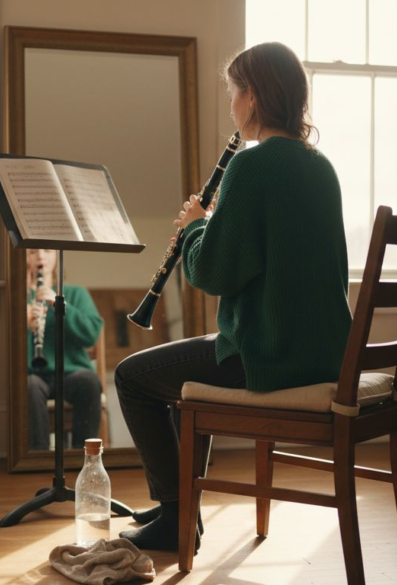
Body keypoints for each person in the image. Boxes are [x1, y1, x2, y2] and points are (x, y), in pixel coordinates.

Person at [115, 42, 353, 551]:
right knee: (184, 379)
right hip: (323, 353)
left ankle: (176, 516)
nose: (230, 105)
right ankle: (181, 510)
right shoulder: (322, 167)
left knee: (131, 377)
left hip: (269, 354)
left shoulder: (252, 167)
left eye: (232, 93)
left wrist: (198, 227)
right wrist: (222, 221)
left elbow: (213, 274)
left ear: (253, 97)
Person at [26, 248, 104, 451]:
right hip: (34, 374)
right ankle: (38, 458)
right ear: (25, 259)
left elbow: (90, 334)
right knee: (28, 386)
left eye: (47, 251)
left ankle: (84, 457)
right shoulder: (20, 298)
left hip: (71, 374)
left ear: (56, 258)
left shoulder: (76, 293)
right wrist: (24, 324)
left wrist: (60, 305)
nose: (40, 257)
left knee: (89, 382)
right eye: (33, 252)